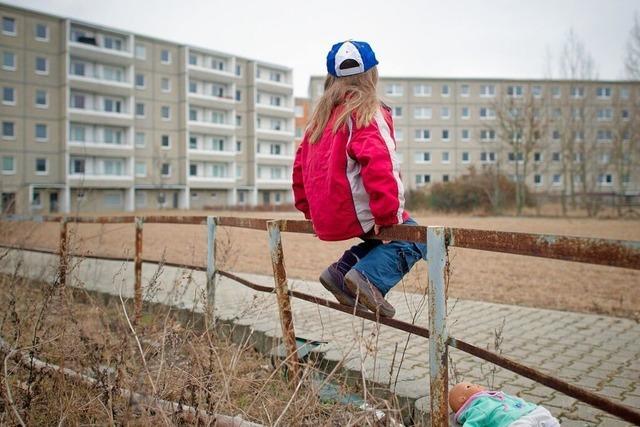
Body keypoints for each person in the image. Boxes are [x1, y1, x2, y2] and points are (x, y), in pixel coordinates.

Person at [292, 40, 426, 318]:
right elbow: (382, 166)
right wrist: (389, 217)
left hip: (327, 216)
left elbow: (299, 170)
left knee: (381, 241)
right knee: (416, 237)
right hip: (354, 211)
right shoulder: (366, 111)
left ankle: (340, 273)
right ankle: (369, 279)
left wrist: (309, 212)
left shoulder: (318, 120)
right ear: (372, 75)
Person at [449, 382, 560, 426]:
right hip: (513, 421)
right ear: (462, 399)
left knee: (546, 414)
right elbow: (471, 424)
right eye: (469, 386)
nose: (476, 384)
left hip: (530, 411)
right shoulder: (477, 407)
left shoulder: (491, 396)